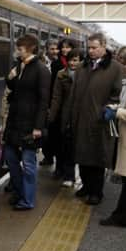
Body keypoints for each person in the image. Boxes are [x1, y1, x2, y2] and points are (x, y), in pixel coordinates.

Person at [71, 33, 123, 205]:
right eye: (89, 48)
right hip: (81, 119)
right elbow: (74, 94)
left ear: (103, 46)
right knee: (82, 157)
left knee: (97, 159)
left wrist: (108, 108)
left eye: (94, 47)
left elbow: (118, 95)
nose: (91, 51)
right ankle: (86, 186)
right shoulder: (82, 67)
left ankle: (96, 192)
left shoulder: (115, 68)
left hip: (100, 121)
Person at [3, 34, 50, 210]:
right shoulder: (19, 67)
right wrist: (11, 77)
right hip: (14, 122)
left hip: (29, 124)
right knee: (10, 159)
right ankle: (19, 192)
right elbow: (14, 90)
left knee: (29, 164)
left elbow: (44, 100)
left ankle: (27, 200)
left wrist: (38, 126)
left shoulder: (41, 70)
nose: (17, 51)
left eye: (20, 49)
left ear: (30, 49)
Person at [100, 53, 126, 227]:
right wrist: (114, 107)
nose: (124, 66)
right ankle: (122, 215)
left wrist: (117, 113)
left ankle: (121, 216)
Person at [48, 49, 83, 187]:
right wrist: (52, 116)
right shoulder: (61, 74)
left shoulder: (86, 75)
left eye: (76, 60)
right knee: (64, 144)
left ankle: (70, 175)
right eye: (70, 60)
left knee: (73, 147)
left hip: (80, 115)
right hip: (65, 114)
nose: (72, 63)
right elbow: (56, 96)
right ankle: (64, 172)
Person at [41, 39, 76, 170]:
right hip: (57, 106)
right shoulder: (57, 65)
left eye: (68, 47)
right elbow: (53, 89)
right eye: (63, 48)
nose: (64, 50)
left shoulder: (81, 65)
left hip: (71, 108)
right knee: (56, 138)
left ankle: (68, 172)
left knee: (68, 141)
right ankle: (58, 166)